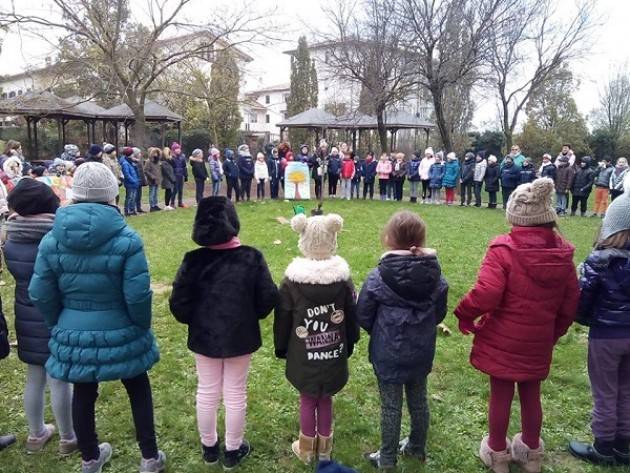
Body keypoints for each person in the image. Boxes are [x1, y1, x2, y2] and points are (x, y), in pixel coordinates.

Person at [28, 162, 165, 473]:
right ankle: (149, 457)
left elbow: (39, 291)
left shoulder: (52, 239)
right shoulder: (128, 239)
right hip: (123, 327)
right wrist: (140, 325)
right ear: (111, 196)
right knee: (138, 387)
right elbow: (138, 295)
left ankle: (89, 458)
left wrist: (59, 323)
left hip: (74, 328)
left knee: (84, 391)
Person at [455, 178, 579, 473]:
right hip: (538, 338)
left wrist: (464, 313)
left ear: (514, 216)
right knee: (530, 392)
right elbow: (571, 302)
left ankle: (498, 453)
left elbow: (486, 292)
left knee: (500, 392)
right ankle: (531, 454)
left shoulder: (503, 249)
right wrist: (552, 332)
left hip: (503, 337)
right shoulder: (563, 255)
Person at [170, 196, 278, 470]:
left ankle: (211, 448)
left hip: (206, 337)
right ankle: (231, 448)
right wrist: (248, 315)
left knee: (207, 390)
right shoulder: (251, 258)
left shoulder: (193, 261)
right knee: (234, 392)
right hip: (239, 336)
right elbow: (267, 297)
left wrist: (196, 320)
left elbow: (179, 303)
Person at [357, 211, 448, 470]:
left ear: (389, 239)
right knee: (419, 399)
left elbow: (363, 314)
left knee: (391, 405)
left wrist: (382, 333)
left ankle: (388, 458)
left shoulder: (377, 277)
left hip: (389, 352)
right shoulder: (435, 276)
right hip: (420, 349)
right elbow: (438, 312)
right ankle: (416, 448)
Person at [274, 212, 359, 465]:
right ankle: (323, 449)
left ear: (303, 239)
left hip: (304, 355)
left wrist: (281, 347)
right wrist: (350, 341)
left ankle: (307, 447)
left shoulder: (291, 282)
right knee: (325, 397)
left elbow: (283, 318)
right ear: (333, 239)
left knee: (308, 396)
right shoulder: (343, 280)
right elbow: (352, 314)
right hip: (333, 352)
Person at [3, 180, 77, 455]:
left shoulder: (10, 240)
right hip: (56, 315)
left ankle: (36, 434)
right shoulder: (56, 240)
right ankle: (68, 437)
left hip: (25, 315)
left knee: (34, 377)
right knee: (59, 378)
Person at [569, 178, 630, 465]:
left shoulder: (599, 260)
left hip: (606, 336)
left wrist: (581, 318)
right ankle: (624, 445)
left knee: (605, 391)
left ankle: (604, 446)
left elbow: (583, 299)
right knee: (627, 390)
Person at [119, 147, 140, 217]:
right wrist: (134, 181)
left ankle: (132, 209)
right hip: (130, 183)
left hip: (134, 183)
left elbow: (135, 171)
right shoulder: (125, 163)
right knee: (129, 197)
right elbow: (127, 174)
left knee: (133, 197)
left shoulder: (131, 161)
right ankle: (126, 210)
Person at [144, 148, 163, 212]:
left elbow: (159, 170)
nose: (156, 154)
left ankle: (155, 205)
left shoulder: (158, 161)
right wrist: (152, 177)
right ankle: (152, 206)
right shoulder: (148, 161)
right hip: (152, 180)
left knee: (156, 194)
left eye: (157, 153)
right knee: (152, 193)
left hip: (157, 180)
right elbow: (146, 171)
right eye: (154, 153)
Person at [171, 142, 188, 208]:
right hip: (175, 175)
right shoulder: (172, 158)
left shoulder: (182, 157)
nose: (178, 150)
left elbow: (184, 166)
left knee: (181, 190)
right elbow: (171, 168)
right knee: (175, 190)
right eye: (177, 149)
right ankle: (172, 203)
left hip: (181, 175)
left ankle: (180, 202)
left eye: (179, 148)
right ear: (173, 150)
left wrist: (186, 175)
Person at [132, 148, 148, 214]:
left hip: (140, 180)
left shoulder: (139, 161)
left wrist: (144, 180)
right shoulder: (133, 162)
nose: (140, 154)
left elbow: (142, 172)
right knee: (134, 196)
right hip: (135, 181)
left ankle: (139, 208)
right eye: (139, 153)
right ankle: (133, 209)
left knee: (139, 196)